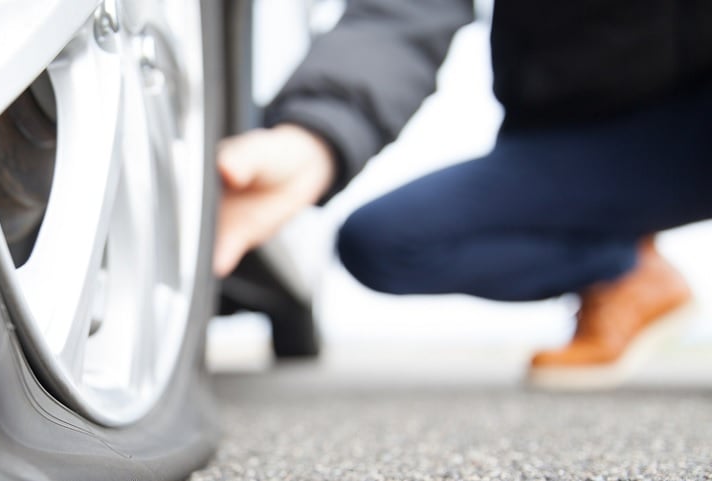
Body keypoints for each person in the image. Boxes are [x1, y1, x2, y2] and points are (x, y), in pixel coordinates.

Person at [216, 0, 711, 389]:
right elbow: (406, 9)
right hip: (571, 136)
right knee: (382, 242)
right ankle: (626, 274)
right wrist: (317, 135)